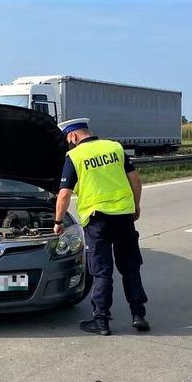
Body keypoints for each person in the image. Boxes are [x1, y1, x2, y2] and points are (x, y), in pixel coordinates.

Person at [54, 118, 149, 336]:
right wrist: (136, 205)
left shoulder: (75, 156)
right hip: (124, 217)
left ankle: (101, 321)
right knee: (130, 267)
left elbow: (64, 194)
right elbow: (135, 179)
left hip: (97, 221)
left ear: (72, 136)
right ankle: (138, 315)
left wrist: (58, 222)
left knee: (101, 272)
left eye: (67, 139)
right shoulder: (114, 147)